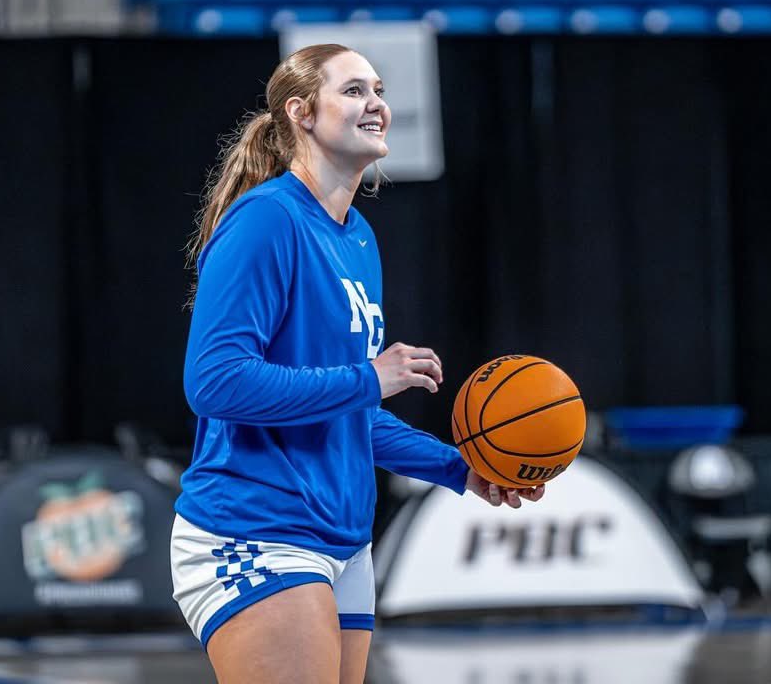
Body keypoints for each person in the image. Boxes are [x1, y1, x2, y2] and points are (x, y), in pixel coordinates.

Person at [173, 43, 545, 684]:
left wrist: (461, 470)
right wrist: (370, 377)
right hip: (257, 527)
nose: (376, 103)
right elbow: (215, 381)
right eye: (353, 90)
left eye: (378, 90)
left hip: (344, 540)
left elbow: (348, 413)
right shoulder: (267, 220)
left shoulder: (358, 238)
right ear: (301, 113)